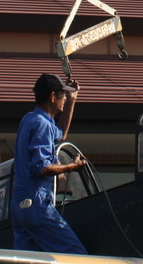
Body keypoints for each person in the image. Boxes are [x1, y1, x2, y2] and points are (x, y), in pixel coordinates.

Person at [11, 73, 88, 254]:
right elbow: (42, 168)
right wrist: (72, 167)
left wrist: (72, 99)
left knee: (27, 263)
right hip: (37, 202)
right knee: (76, 256)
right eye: (63, 96)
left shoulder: (29, 119)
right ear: (53, 97)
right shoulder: (42, 124)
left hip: (19, 205)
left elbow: (61, 134)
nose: (63, 100)